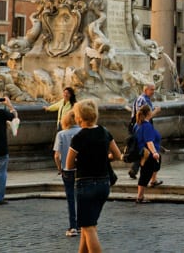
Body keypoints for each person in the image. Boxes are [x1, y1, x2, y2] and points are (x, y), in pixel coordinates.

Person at [67, 99, 122, 253]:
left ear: (79, 117)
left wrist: (84, 160)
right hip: (104, 183)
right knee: (89, 225)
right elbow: (117, 155)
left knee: (88, 227)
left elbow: (69, 164)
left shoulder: (78, 137)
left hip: (85, 184)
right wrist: (104, 157)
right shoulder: (105, 132)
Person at [53, 110, 82, 237]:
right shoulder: (82, 132)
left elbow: (57, 155)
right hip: (82, 169)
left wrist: (60, 168)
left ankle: (73, 226)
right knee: (81, 197)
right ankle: (82, 225)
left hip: (67, 170)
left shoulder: (61, 134)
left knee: (71, 198)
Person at [134, 104, 163, 204]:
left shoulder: (137, 124)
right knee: (145, 174)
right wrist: (154, 152)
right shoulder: (146, 126)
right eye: (151, 111)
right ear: (148, 113)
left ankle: (153, 182)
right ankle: (140, 197)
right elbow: (149, 141)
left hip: (143, 152)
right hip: (148, 154)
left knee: (149, 171)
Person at [129, 84, 159, 179]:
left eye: (154, 89)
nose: (153, 92)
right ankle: (150, 176)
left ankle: (134, 170)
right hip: (142, 126)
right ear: (146, 90)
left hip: (138, 125)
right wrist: (156, 111)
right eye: (152, 90)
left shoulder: (141, 99)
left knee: (142, 149)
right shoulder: (144, 100)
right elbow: (147, 115)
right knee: (145, 148)